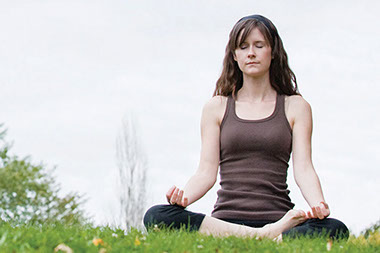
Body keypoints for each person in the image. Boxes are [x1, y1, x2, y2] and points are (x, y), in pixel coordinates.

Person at [143, 14, 348, 240]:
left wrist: (319, 204)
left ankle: (261, 233)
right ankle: (266, 236)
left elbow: (304, 168)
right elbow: (205, 172)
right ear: (235, 55)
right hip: (225, 220)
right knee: (157, 215)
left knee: (335, 229)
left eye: (259, 45)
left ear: (273, 52)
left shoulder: (296, 107)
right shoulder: (216, 107)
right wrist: (183, 200)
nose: (251, 52)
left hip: (278, 216)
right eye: (243, 47)